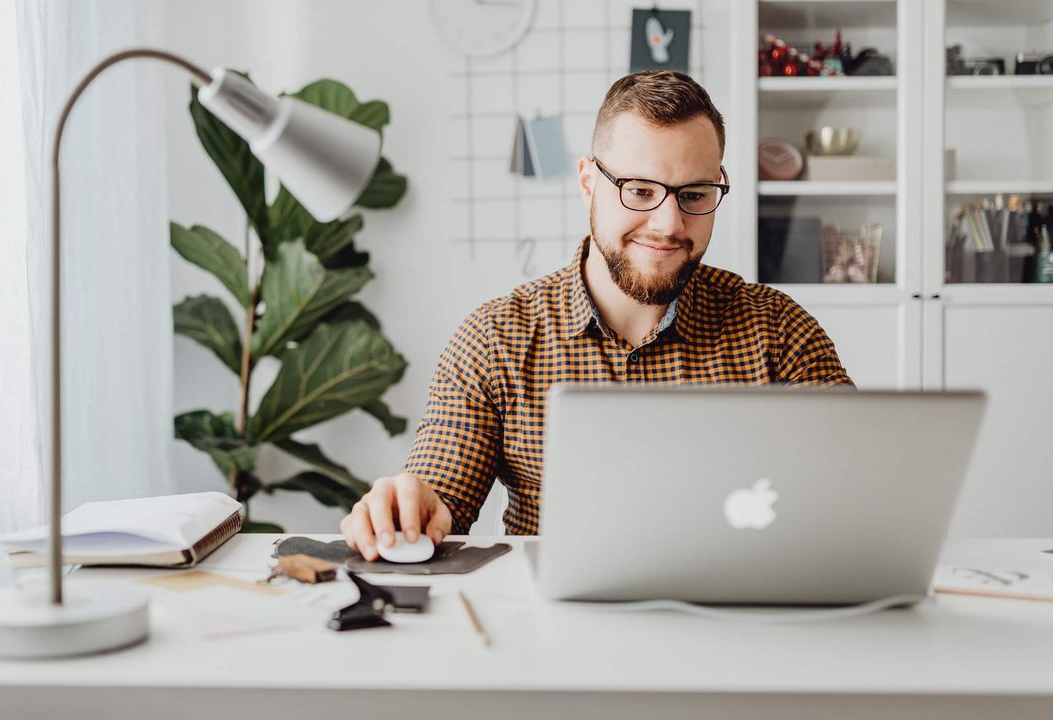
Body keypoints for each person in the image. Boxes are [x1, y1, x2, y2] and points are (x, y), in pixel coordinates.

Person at [341, 71, 853, 560]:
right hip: (556, 634)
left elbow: (858, 490)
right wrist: (409, 509)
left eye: (695, 195)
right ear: (588, 181)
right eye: (640, 190)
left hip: (741, 623)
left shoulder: (780, 331)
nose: (669, 223)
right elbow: (440, 498)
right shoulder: (496, 337)